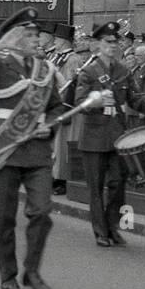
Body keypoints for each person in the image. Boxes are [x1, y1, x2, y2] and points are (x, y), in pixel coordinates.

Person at [0, 8, 67, 289]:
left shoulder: (44, 70)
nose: (35, 39)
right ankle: (8, 273)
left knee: (42, 212)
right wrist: (0, 44)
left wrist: (51, 126)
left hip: (38, 152)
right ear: (15, 37)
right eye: (28, 34)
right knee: (3, 217)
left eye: (36, 34)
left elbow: (56, 107)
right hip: (7, 151)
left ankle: (32, 271)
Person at [74, 21, 145, 248]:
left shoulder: (122, 70)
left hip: (118, 136)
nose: (113, 45)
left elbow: (134, 99)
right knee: (96, 187)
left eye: (115, 41)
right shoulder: (88, 72)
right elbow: (79, 102)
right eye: (108, 42)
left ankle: (113, 226)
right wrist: (96, 100)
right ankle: (101, 231)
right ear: (97, 44)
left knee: (118, 184)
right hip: (94, 137)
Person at [49, 22, 81, 192]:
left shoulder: (74, 59)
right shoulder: (56, 57)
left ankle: (64, 180)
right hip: (54, 106)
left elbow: (71, 85)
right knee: (54, 145)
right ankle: (54, 176)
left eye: (58, 38)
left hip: (65, 107)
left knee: (64, 145)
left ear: (64, 41)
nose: (54, 40)